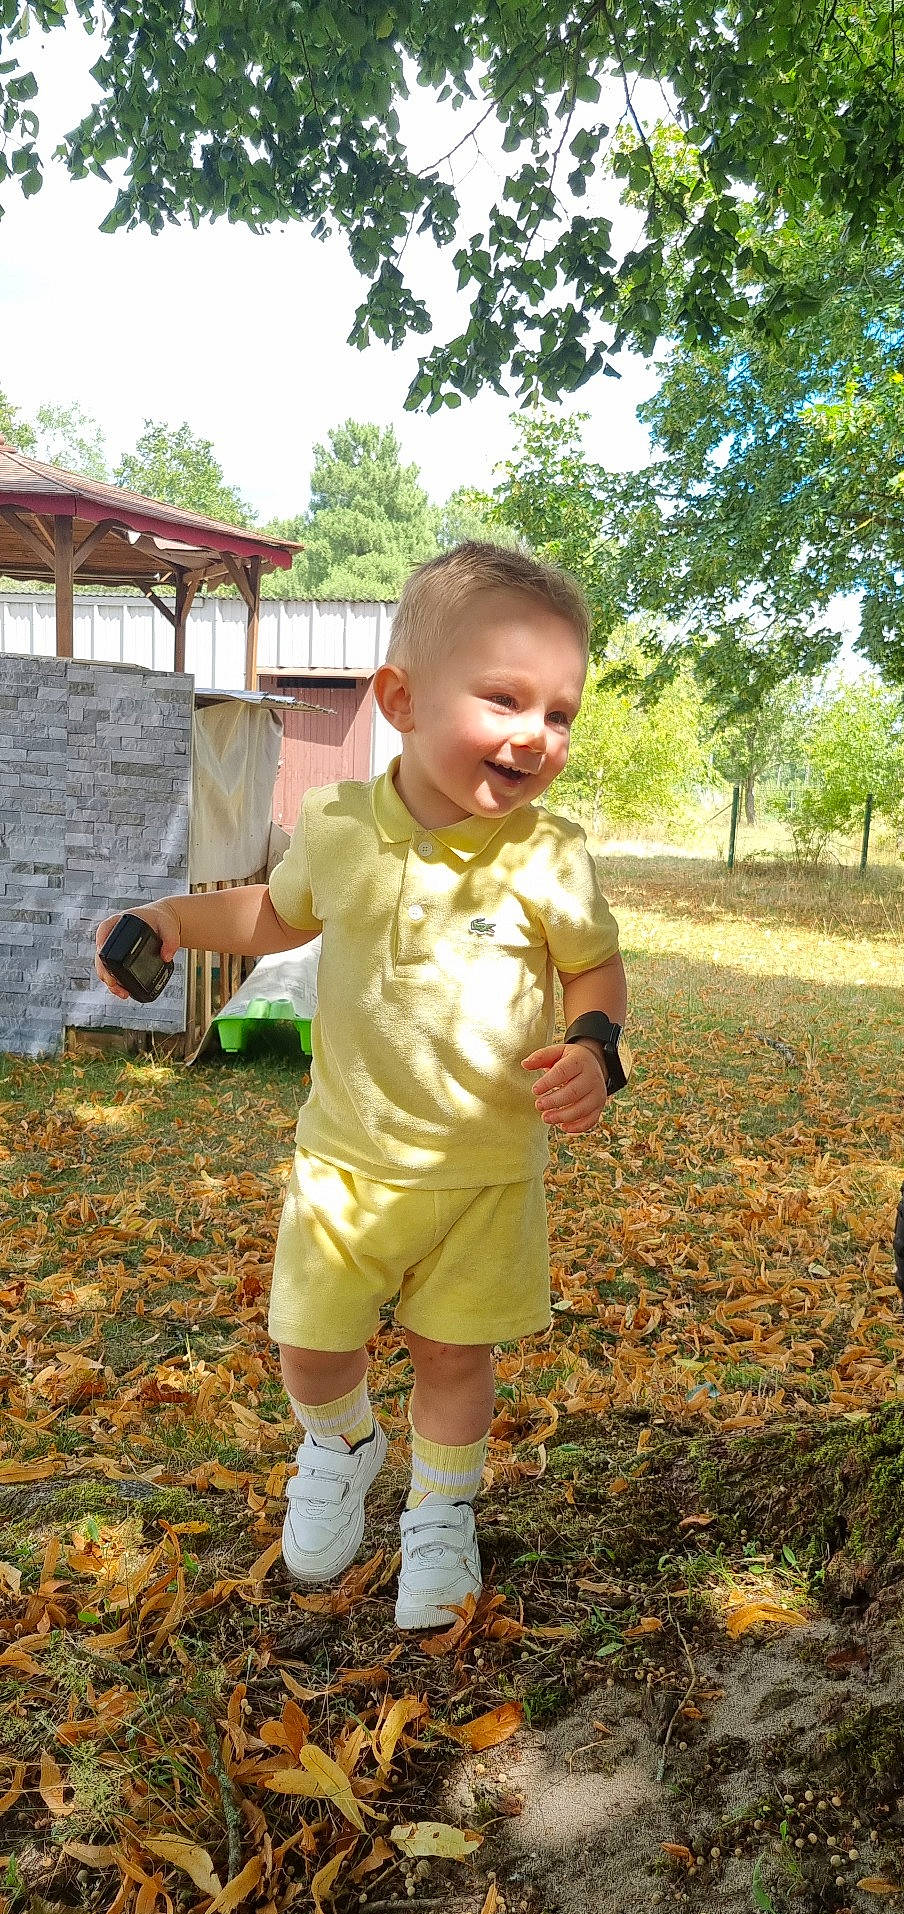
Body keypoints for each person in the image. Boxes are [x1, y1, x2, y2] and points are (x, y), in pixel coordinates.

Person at [95, 543, 629, 1629]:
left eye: (560, 712)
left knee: (452, 1352)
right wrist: (169, 919)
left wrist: (596, 1046)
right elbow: (267, 917)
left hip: (481, 1173)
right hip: (344, 1162)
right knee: (310, 1338)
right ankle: (339, 1443)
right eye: (504, 697)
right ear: (399, 698)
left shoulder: (550, 854)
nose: (536, 733)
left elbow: (594, 967)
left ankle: (441, 1507)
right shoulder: (338, 828)